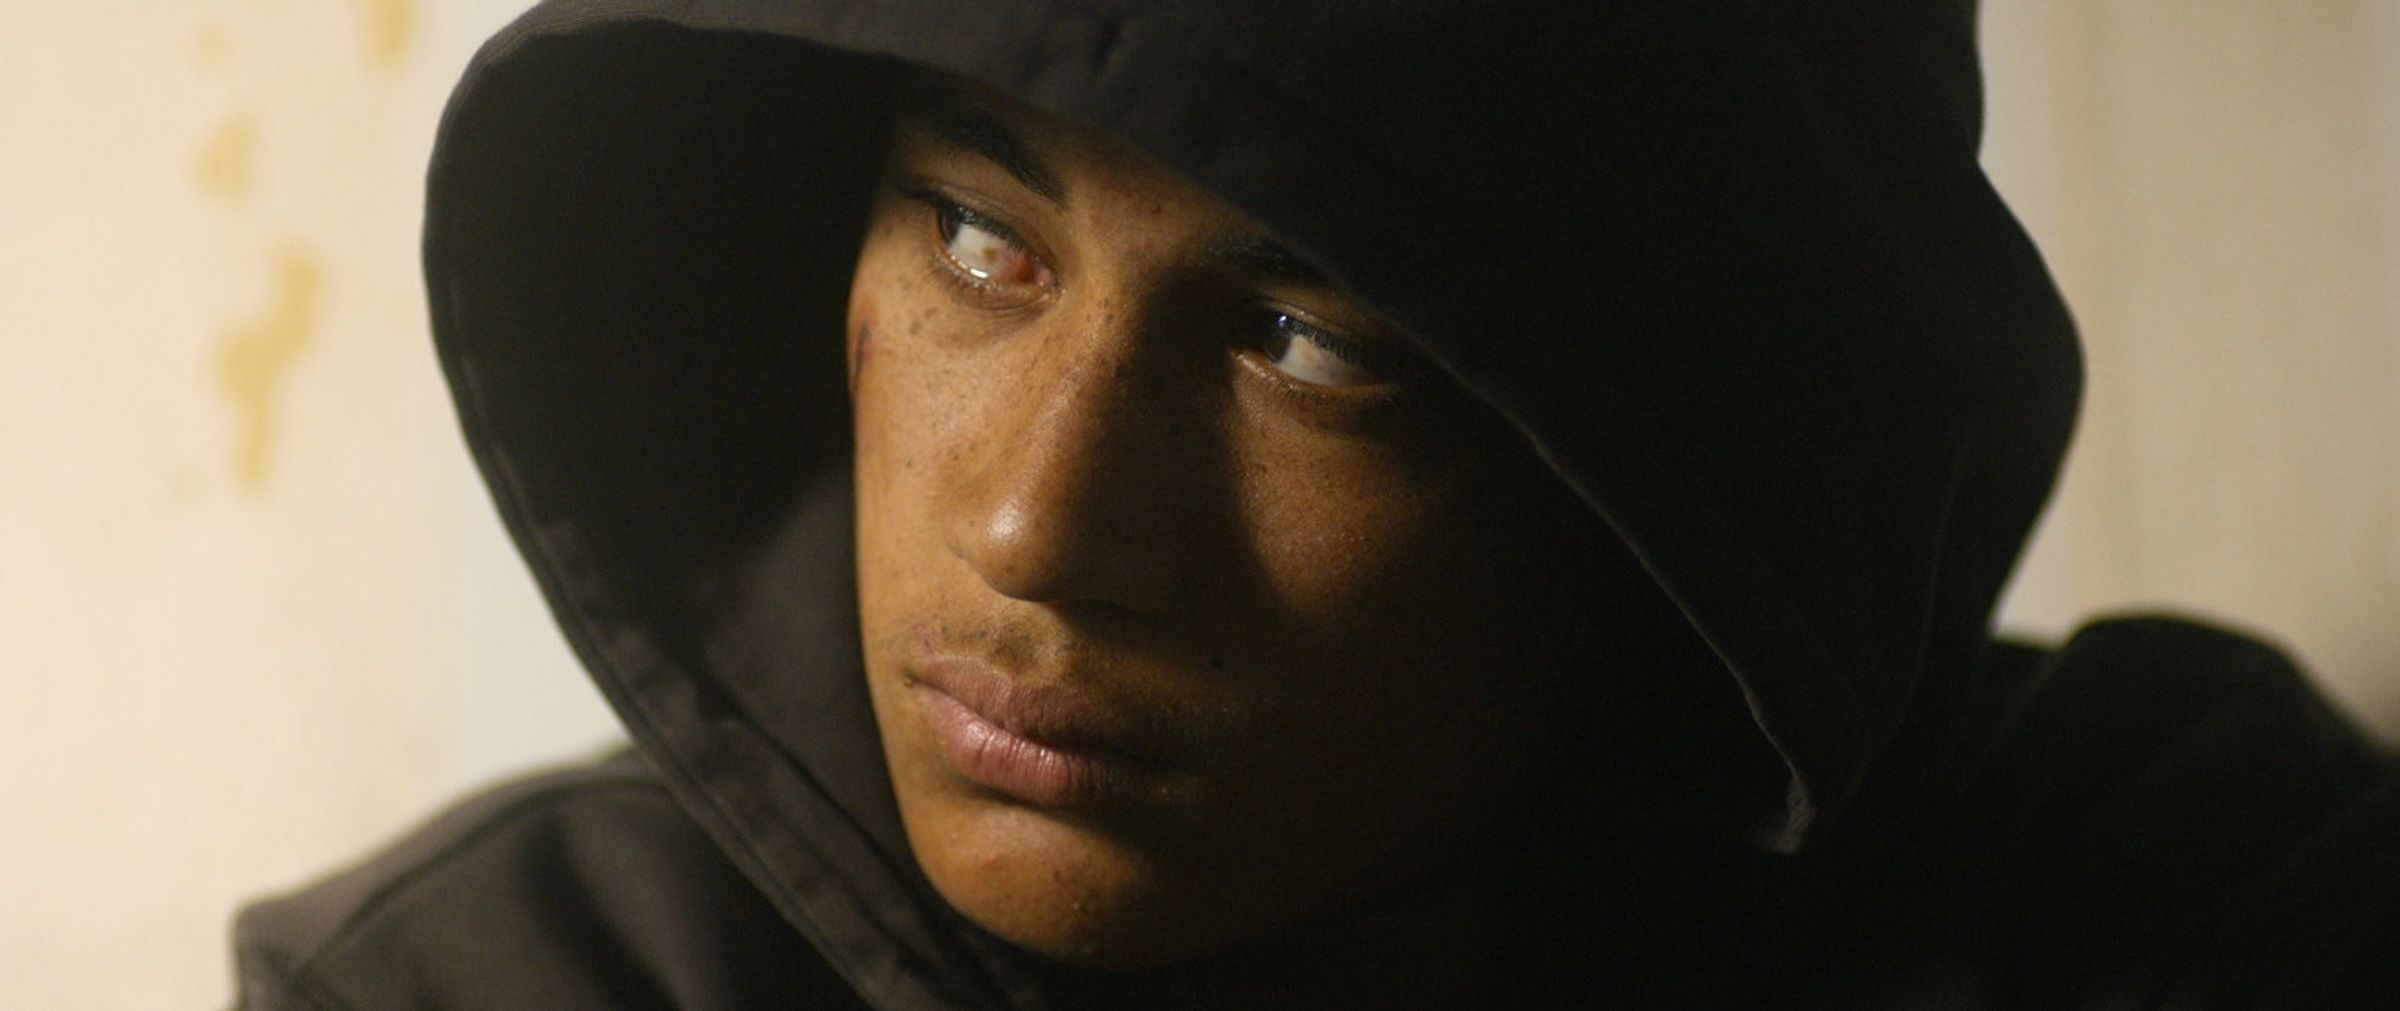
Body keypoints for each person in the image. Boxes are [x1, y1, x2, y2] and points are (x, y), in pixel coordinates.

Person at [232, 1, 2400, 1007]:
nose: (1040, 530)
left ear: (1667, 466)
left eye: (1313, 348)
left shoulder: (2154, 902)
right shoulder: (507, 990)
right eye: (979, 236)